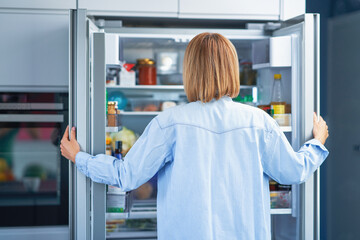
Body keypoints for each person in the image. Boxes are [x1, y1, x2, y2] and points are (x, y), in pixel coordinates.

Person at [60, 32, 329, 240]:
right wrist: (316, 143)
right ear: (232, 70)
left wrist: (79, 157)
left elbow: (127, 176)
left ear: (190, 71)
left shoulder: (169, 122)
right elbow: (293, 172)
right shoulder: (259, 121)